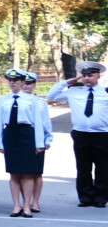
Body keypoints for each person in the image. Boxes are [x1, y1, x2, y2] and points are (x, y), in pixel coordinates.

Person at [46, 60, 108, 207]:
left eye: (91, 75)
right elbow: (52, 95)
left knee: (103, 167)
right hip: (81, 134)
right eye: (84, 75)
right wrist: (67, 82)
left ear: (98, 76)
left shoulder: (106, 92)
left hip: (102, 135)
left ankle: (101, 197)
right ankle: (86, 197)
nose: (87, 78)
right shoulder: (74, 91)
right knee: (83, 167)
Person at [0, 68, 51, 217]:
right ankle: (16, 205)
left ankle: (27, 205)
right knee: (13, 173)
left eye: (16, 81)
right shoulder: (2, 100)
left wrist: (39, 143)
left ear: (21, 82)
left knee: (27, 173)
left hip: (26, 134)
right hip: (10, 135)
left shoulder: (31, 100)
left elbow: (38, 123)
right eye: (10, 81)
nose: (13, 83)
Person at [23, 72, 48, 211]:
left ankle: (35, 202)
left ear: (34, 85)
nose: (26, 86)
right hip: (21, 137)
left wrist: (47, 138)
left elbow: (45, 122)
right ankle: (24, 200)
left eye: (29, 84)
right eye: (24, 83)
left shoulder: (40, 102)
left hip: (37, 136)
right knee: (22, 172)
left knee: (37, 172)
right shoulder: (14, 100)